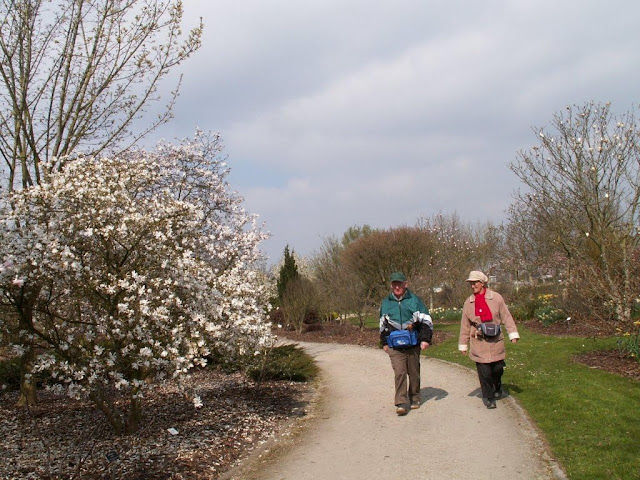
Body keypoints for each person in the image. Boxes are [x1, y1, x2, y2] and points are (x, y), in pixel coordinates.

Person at [458, 270, 520, 409]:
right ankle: (489, 397)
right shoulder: (469, 303)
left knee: (498, 368)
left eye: (475, 283)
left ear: (482, 283)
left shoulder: (496, 298)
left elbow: (506, 316)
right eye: (471, 283)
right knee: (484, 372)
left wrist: (513, 333)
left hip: (496, 339)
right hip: (478, 340)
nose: (472, 286)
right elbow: (465, 325)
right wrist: (463, 343)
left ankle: (497, 386)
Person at [380, 272, 433, 416]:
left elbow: (426, 321)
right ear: (391, 285)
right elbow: (382, 325)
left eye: (400, 284)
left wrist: (425, 339)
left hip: (413, 344)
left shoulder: (414, 301)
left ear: (405, 284)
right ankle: (401, 402)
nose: (397, 287)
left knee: (414, 373)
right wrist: (384, 343)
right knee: (400, 372)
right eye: (394, 284)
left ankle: (415, 396)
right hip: (395, 345)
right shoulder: (386, 303)